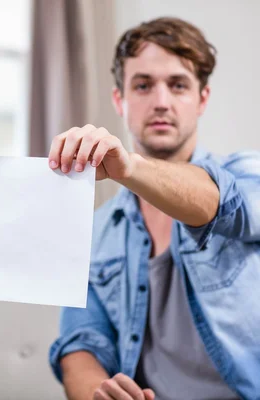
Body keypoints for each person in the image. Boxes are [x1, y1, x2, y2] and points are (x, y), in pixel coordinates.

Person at [47, 17, 260, 400]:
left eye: (178, 85)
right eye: (143, 85)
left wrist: (131, 168)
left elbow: (223, 202)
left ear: (202, 99)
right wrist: (99, 392)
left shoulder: (248, 175)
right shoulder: (94, 230)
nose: (161, 101)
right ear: (120, 99)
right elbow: (80, 342)